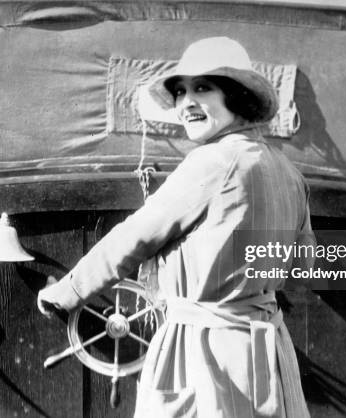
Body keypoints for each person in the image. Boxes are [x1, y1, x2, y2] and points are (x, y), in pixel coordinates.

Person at [37, 36, 315, 417]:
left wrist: (67, 292)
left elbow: (135, 236)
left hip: (207, 352)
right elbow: (304, 266)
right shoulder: (290, 174)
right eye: (180, 92)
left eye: (202, 88)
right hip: (270, 354)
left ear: (235, 96)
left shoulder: (213, 162)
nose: (186, 103)